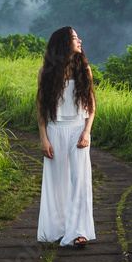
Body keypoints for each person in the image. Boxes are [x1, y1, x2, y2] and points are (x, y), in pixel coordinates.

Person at [36, 26, 96, 247]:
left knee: (79, 180)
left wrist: (86, 132)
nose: (80, 40)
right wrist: (43, 138)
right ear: (63, 43)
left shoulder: (85, 70)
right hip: (55, 129)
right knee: (57, 181)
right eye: (74, 38)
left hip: (78, 129)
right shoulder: (45, 72)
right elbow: (42, 107)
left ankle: (79, 231)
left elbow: (92, 107)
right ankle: (59, 230)